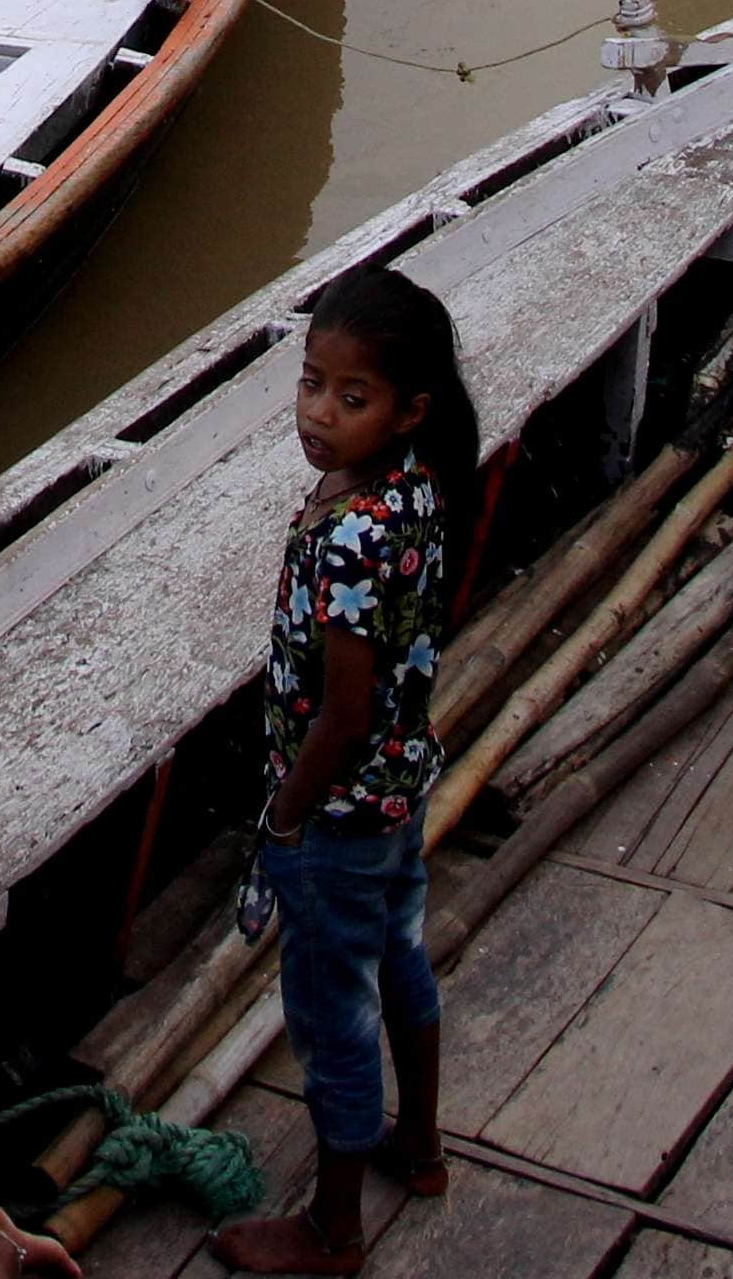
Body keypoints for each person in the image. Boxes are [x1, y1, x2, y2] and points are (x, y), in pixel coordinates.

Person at [211, 266, 473, 1277]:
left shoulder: (355, 532)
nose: (319, 413)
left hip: (337, 814)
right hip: (398, 791)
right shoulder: (409, 485)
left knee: (331, 1015)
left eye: (350, 398)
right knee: (400, 958)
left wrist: (283, 817)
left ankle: (335, 1227)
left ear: (408, 409)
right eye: (311, 382)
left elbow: (343, 709)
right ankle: (423, 1144)